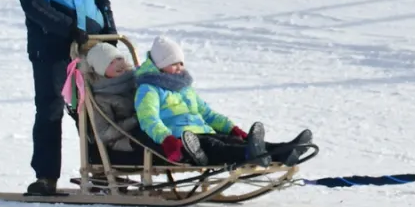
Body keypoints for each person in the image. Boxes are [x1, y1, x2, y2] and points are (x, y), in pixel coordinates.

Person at [11, 0, 117, 195]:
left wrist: (110, 35)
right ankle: (46, 177)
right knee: (51, 108)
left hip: (93, 42)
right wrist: (68, 28)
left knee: (98, 108)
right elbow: (32, 2)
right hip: (52, 46)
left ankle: (102, 172)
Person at [133, 37, 311, 167]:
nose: (179, 68)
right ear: (158, 65)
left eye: (181, 63)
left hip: (203, 130)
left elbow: (207, 114)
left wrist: (231, 128)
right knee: (215, 146)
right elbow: (148, 119)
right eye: (173, 64)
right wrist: (167, 138)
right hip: (182, 139)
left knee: (231, 140)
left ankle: (284, 151)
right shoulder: (148, 89)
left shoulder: (184, 88)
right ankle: (250, 154)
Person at [80, 43, 143, 161]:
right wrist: (135, 120)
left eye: (119, 58)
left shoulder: (135, 81)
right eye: (110, 62)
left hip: (145, 129)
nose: (118, 64)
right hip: (122, 141)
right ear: (100, 69)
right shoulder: (101, 97)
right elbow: (104, 133)